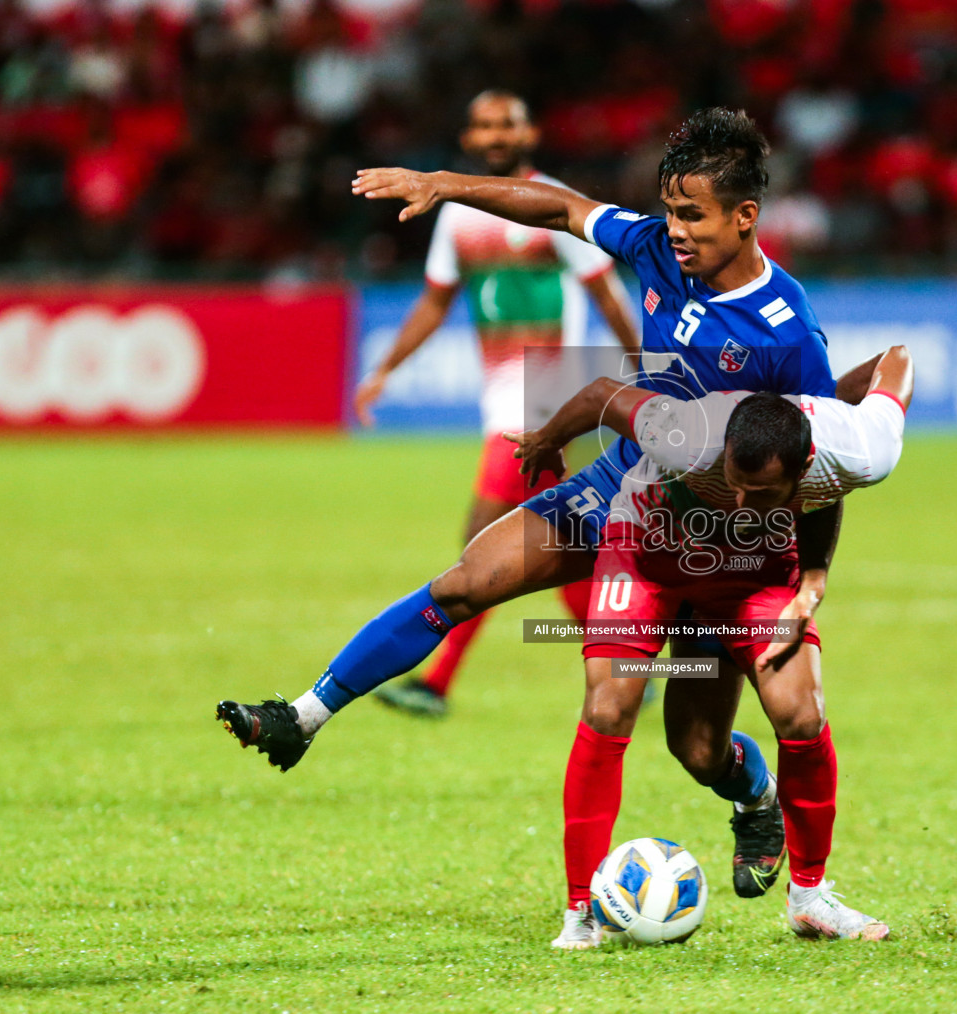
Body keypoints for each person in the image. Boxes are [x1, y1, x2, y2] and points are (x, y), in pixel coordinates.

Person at [216, 108, 853, 906]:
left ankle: (754, 798)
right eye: (670, 212)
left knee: (696, 749)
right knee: (464, 579)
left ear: (745, 216)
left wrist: (811, 576)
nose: (676, 231)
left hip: (718, 546)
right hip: (620, 488)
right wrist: (443, 186)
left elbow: (825, 467)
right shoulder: (656, 245)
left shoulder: (787, 332)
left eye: (693, 216)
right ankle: (302, 717)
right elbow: (559, 208)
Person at [503, 346, 913, 947]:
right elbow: (600, 397)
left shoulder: (862, 448)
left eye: (762, 491)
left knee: (796, 715)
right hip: (645, 555)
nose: (742, 503)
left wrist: (815, 577)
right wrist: (544, 439)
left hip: (754, 574)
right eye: (735, 483)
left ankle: (811, 899)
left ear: (804, 465)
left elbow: (898, 359)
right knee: (608, 708)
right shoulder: (685, 433)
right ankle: (580, 917)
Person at [355, 91, 641, 719]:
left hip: (546, 390)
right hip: (501, 394)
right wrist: (384, 370)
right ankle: (630, 658)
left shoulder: (553, 205)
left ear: (528, 132)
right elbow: (435, 302)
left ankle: (436, 684)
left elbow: (609, 293)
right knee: (557, 540)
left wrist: (648, 369)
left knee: (484, 540)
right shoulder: (456, 212)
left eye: (505, 125)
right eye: (483, 125)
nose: (493, 136)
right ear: (468, 139)